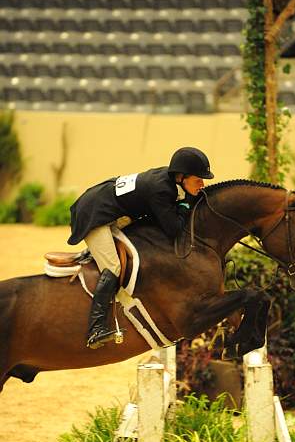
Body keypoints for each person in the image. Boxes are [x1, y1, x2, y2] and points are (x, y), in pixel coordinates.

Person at [68, 146, 214, 349]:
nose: (202, 184)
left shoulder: (171, 181)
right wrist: (185, 205)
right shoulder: (161, 189)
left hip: (114, 210)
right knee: (114, 268)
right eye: (198, 180)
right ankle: (96, 328)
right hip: (94, 213)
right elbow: (173, 229)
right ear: (181, 176)